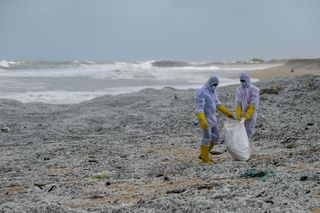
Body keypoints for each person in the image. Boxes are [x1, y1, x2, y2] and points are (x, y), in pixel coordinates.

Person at [195, 76, 234, 164]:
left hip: (212, 117)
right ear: (210, 83)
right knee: (207, 137)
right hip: (204, 118)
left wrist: (227, 113)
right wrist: (202, 119)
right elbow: (199, 108)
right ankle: (205, 159)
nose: (215, 86)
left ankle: (203, 154)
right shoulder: (201, 92)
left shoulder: (213, 91)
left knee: (216, 136)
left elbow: (217, 103)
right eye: (214, 84)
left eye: (217, 85)